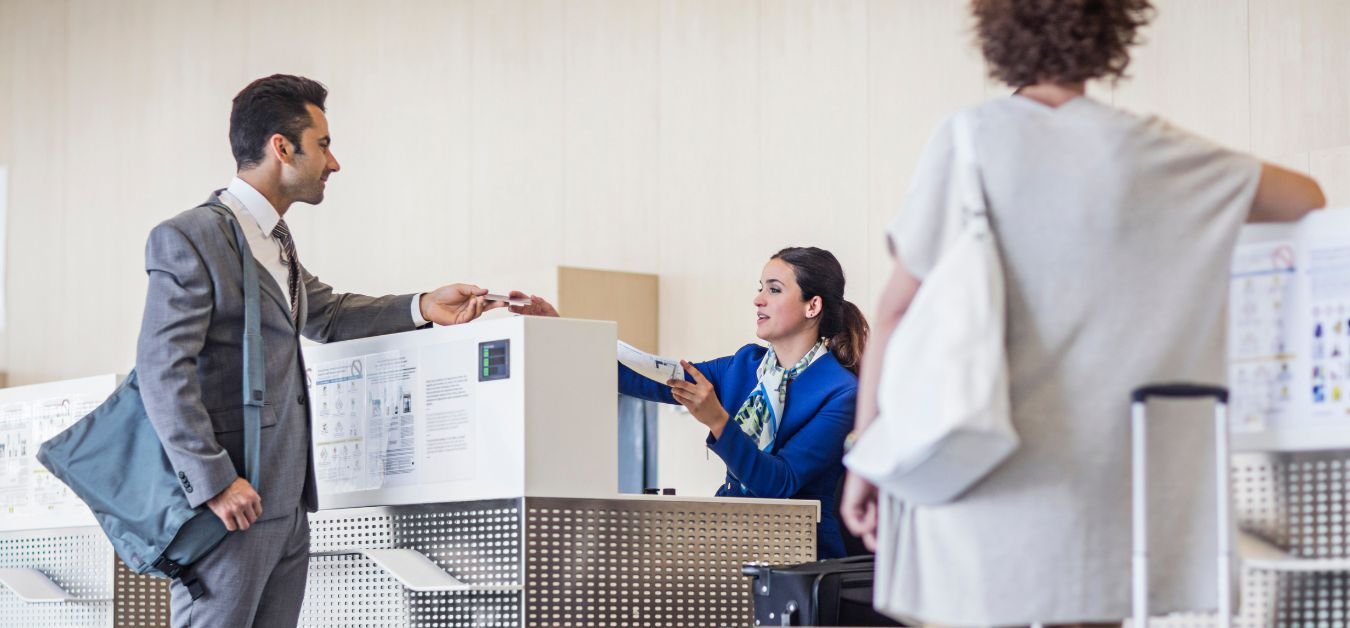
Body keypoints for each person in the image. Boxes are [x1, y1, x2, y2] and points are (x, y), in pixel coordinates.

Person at [840, 1, 1327, 626]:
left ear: (997, 35)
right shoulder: (1148, 149)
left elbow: (896, 308)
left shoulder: (970, 138)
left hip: (982, 464)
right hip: (1108, 479)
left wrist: (866, 454)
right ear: (1112, 35)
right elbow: (1304, 196)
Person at [136, 74, 503, 628]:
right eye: (324, 144)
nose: (334, 163)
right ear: (281, 148)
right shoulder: (190, 238)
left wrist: (426, 305)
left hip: (285, 505)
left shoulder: (275, 240)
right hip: (229, 505)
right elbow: (162, 369)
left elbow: (326, 315)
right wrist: (213, 482)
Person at [511, 247, 867, 558]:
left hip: (801, 560)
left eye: (774, 290)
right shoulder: (743, 366)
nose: (758, 299)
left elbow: (779, 483)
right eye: (759, 289)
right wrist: (561, 333)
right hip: (732, 543)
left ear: (813, 305)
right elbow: (644, 377)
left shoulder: (841, 392)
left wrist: (719, 422)